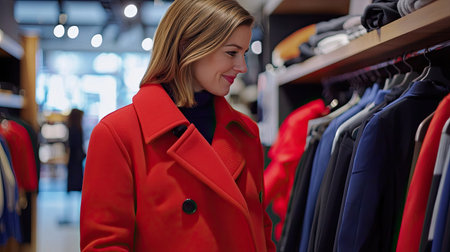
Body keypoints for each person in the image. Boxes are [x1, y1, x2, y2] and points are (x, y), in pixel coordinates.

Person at [80, 0, 276, 251]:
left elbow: (261, 231)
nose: (242, 67)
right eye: (231, 52)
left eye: (244, 53)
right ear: (189, 46)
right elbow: (106, 245)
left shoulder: (245, 132)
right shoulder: (118, 135)